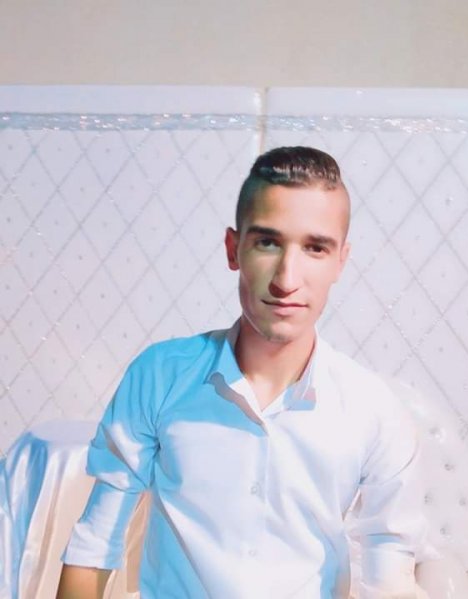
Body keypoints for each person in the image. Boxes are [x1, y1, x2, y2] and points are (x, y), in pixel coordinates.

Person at [58, 146, 428, 598]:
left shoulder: (376, 412)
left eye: (315, 248)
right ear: (234, 249)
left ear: (340, 261)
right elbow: (95, 544)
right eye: (268, 242)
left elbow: (390, 581)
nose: (287, 279)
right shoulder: (160, 375)